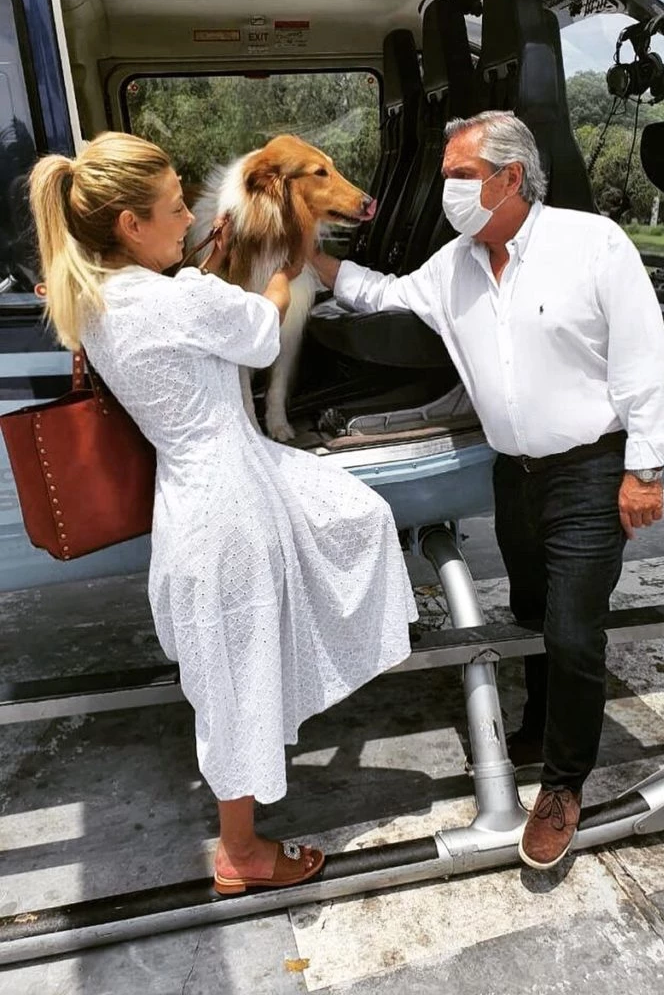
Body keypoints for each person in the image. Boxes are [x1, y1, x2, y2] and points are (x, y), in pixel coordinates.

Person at [28, 131, 418, 894]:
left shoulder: (97, 298)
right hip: (232, 505)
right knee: (243, 672)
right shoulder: (182, 297)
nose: (190, 220)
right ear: (130, 225)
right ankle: (240, 852)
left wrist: (206, 273)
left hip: (192, 501)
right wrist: (281, 276)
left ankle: (252, 807)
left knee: (234, 667)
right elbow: (260, 337)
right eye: (176, 209)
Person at [311, 110, 664, 870]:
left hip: (590, 470)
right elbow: (380, 294)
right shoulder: (454, 265)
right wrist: (305, 259)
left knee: (574, 632)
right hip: (513, 477)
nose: (446, 189)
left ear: (510, 177)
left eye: (459, 175)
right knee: (532, 615)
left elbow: (644, 360)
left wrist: (645, 470)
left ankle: (563, 786)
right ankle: (542, 724)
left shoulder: (592, 244)